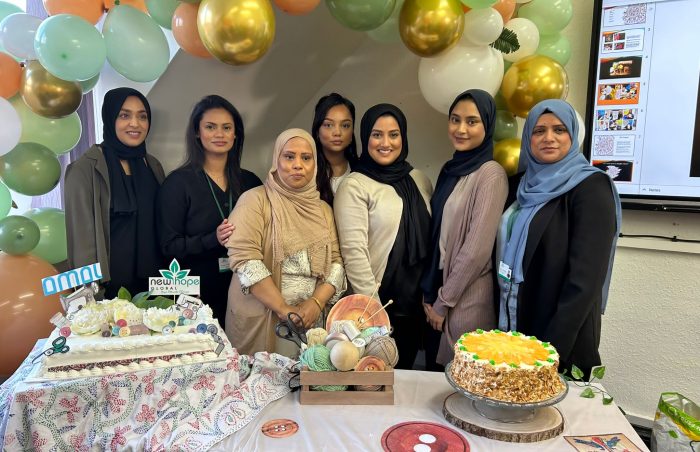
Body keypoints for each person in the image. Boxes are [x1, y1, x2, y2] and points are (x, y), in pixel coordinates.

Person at [496, 99, 621, 379]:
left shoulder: (591, 187)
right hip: (514, 325)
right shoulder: (518, 185)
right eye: (539, 130)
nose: (548, 138)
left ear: (573, 135)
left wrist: (551, 353)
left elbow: (585, 281)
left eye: (559, 130)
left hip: (561, 335)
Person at [225, 128, 346, 357]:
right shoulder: (254, 201)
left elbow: (337, 263)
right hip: (266, 316)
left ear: (315, 164)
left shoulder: (323, 210)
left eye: (306, 158)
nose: (298, 165)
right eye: (289, 156)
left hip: (311, 321)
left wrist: (316, 303)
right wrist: (284, 309)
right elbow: (245, 260)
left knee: (307, 375)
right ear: (276, 161)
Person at [334, 104, 432, 369]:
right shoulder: (355, 184)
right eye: (377, 135)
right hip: (378, 305)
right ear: (365, 137)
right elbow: (354, 253)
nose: (386, 143)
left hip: (417, 304)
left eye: (394, 134)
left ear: (404, 137)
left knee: (408, 375)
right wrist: (374, 313)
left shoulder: (419, 179)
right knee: (375, 379)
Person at [421, 90, 508, 369]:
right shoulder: (450, 170)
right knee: (433, 380)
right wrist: (430, 294)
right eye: (455, 119)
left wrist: (443, 302)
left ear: (487, 125)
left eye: (472, 121)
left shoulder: (491, 174)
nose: (461, 129)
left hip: (464, 300)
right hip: (438, 292)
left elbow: (475, 251)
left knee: (460, 380)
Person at [157, 95, 262, 325]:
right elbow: (168, 246)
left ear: (236, 134)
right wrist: (212, 239)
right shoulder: (177, 183)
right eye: (210, 127)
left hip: (246, 291)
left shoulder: (251, 182)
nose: (219, 134)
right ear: (197, 132)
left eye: (227, 128)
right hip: (196, 296)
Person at [65, 88, 165, 299]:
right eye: (124, 115)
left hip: (154, 286)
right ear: (110, 118)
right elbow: (81, 243)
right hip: (109, 291)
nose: (135, 124)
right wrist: (89, 295)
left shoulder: (152, 165)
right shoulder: (85, 169)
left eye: (142, 116)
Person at [311, 93, 358, 205]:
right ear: (317, 131)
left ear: (352, 132)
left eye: (345, 125)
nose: (337, 132)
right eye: (328, 125)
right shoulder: (307, 172)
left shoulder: (363, 170)